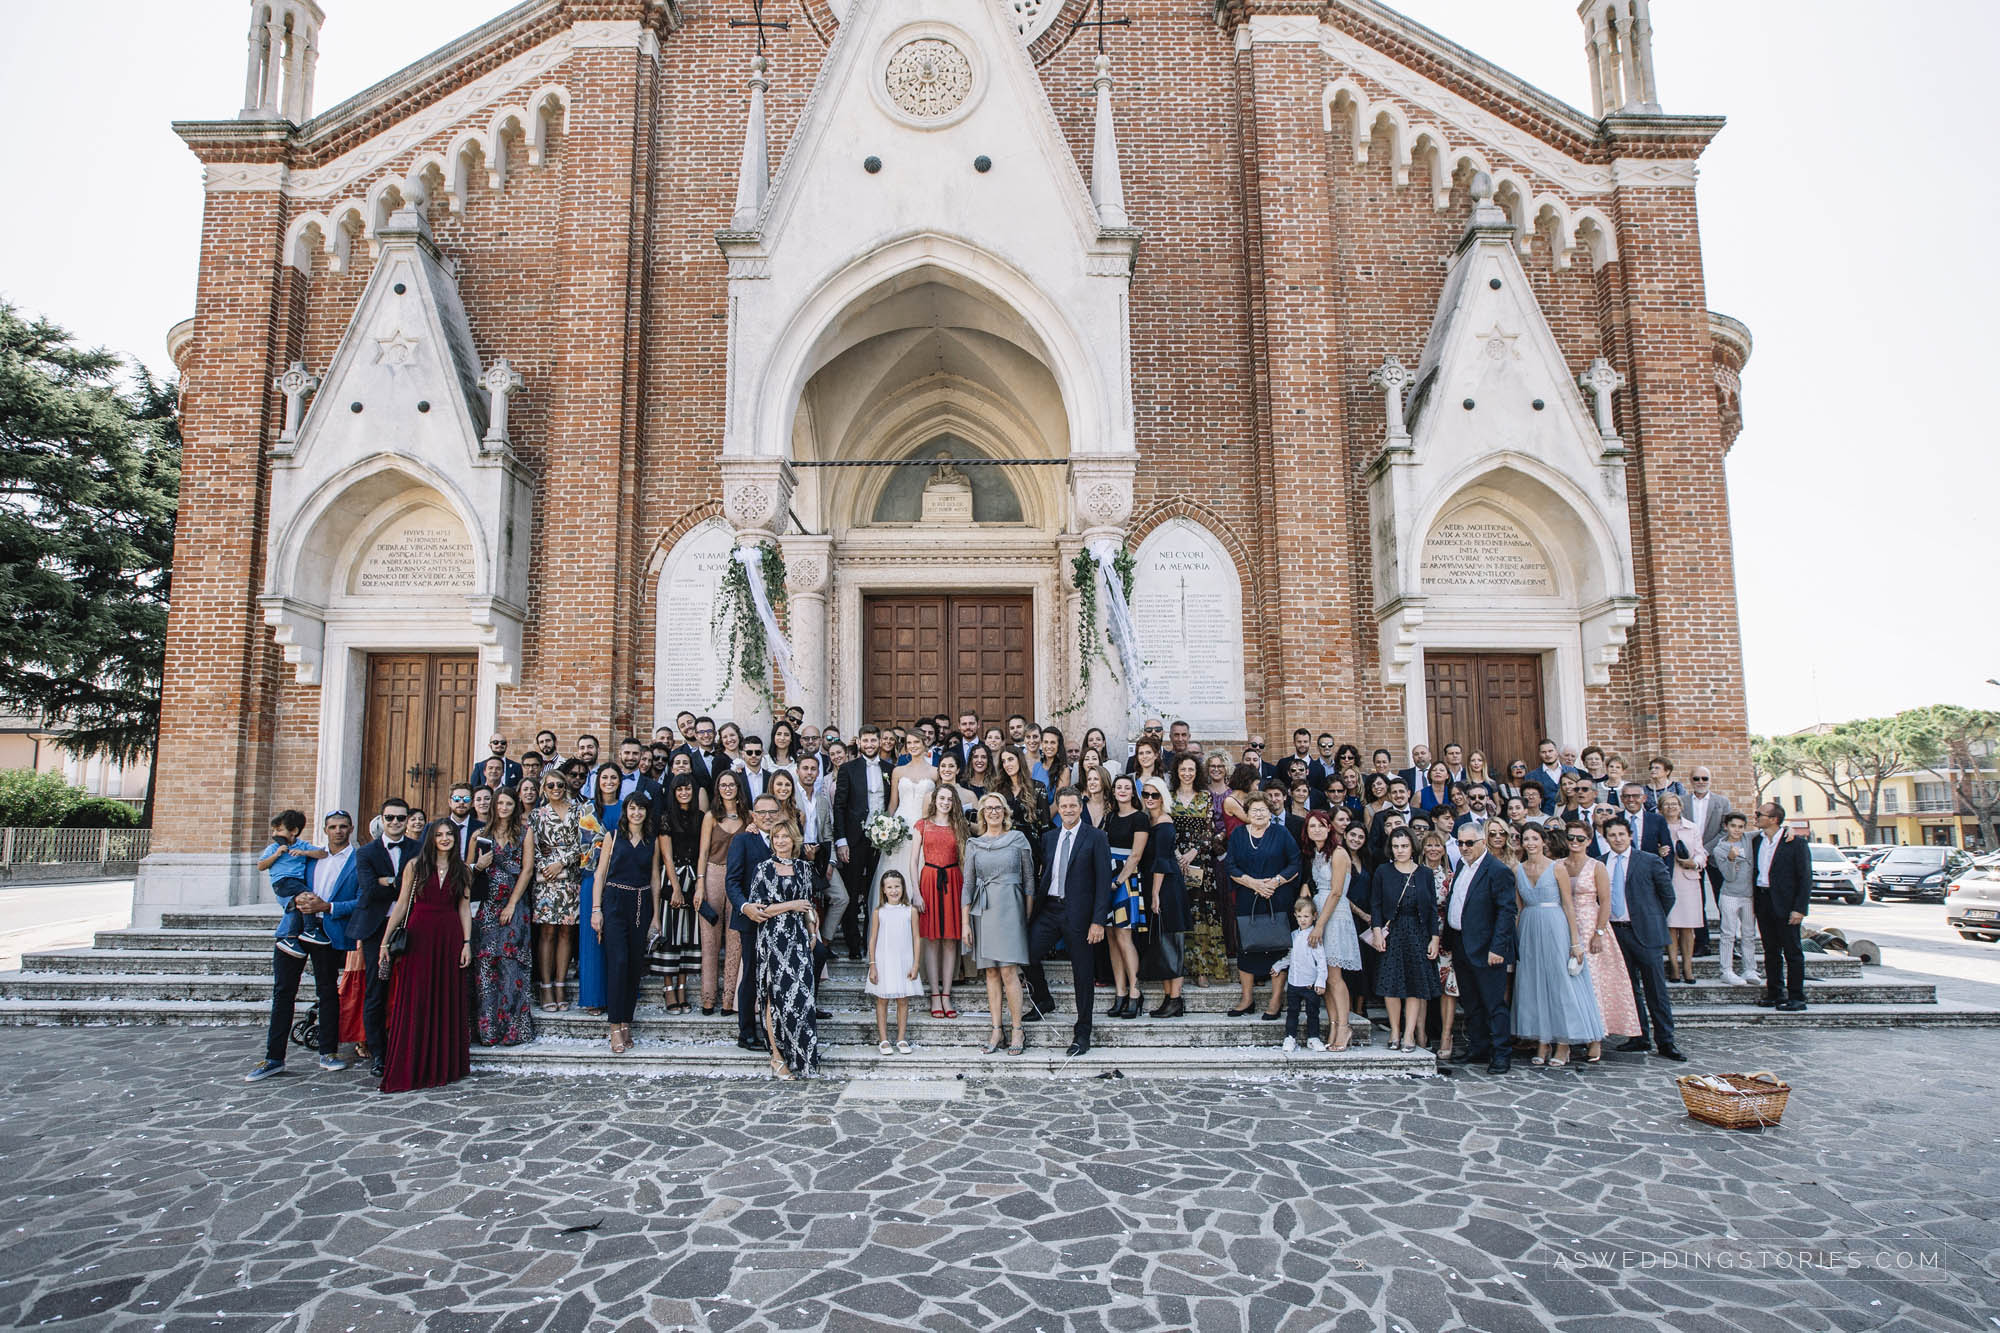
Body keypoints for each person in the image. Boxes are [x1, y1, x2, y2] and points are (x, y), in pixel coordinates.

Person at [246, 810, 351, 1082]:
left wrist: (327, 906)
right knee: (283, 992)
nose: (338, 831)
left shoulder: (354, 859)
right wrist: (295, 903)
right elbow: (282, 883)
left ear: (350, 829)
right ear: (325, 830)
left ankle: (328, 1052)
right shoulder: (302, 856)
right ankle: (273, 1058)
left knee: (328, 992)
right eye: (332, 827)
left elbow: (360, 900)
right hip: (292, 927)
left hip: (326, 930)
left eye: (343, 826)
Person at [377, 819, 474, 1093]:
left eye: (450, 835)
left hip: (449, 935)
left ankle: (442, 1066)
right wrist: (385, 941)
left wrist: (467, 942)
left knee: (445, 999)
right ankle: (412, 1064)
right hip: (420, 936)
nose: (445, 839)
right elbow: (401, 905)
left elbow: (464, 908)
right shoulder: (415, 866)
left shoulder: (463, 870)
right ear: (431, 838)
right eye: (439, 835)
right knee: (416, 998)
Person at [1028, 788, 1113, 1056]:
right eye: (1063, 806)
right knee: (1026, 953)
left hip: (1081, 915)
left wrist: (1098, 921)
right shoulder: (1049, 837)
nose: (1067, 810)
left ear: (1080, 807)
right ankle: (1043, 998)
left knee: (1083, 973)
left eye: (1072, 806)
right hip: (1050, 909)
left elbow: (1102, 883)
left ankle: (1082, 1032)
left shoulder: (1096, 837)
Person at [1510, 824, 1604, 1068]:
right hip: (1529, 928)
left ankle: (1564, 1043)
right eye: (1526, 838)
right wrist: (1516, 939)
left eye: (1535, 838)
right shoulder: (1517, 869)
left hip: (1555, 927)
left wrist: (1575, 942)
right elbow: (1519, 908)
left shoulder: (1557, 868)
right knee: (1534, 985)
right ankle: (1543, 1040)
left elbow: (1568, 905)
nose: (1530, 843)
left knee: (1560, 983)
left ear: (1544, 841)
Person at [1599, 817, 1686, 1060]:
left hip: (1645, 933)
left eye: (1621, 834)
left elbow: (1667, 895)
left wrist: (1651, 918)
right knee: (1629, 988)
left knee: (1655, 990)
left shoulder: (1649, 860)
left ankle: (1666, 1041)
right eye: (1612, 835)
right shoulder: (1600, 863)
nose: (1617, 839)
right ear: (1606, 838)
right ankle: (1639, 1036)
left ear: (1629, 835)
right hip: (1616, 933)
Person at [350, 799, 419, 1079]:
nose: (395, 823)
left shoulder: (417, 848)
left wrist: (386, 881)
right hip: (376, 927)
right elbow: (368, 889)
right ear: (381, 819)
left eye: (400, 818)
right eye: (389, 818)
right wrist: (399, 882)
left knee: (410, 988)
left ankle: (407, 1048)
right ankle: (379, 1052)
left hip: (409, 924)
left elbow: (418, 884)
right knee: (376, 990)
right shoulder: (366, 852)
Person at [1559, 817, 1639, 1057]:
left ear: (1589, 841)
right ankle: (1570, 1034)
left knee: (1593, 985)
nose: (1575, 842)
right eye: (1571, 837)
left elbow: (1605, 901)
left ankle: (1596, 1037)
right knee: (1568, 985)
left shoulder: (1596, 866)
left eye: (1580, 838)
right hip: (1563, 927)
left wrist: (1599, 932)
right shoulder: (1559, 865)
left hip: (1590, 925)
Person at [747, 819, 820, 1077]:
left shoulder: (804, 868)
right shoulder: (763, 869)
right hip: (772, 938)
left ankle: (800, 1055)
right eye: (776, 837)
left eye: (785, 837)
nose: (780, 841)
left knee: (801, 997)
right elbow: (759, 909)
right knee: (773, 997)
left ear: (794, 840)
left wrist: (813, 931)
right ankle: (776, 1057)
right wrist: (792, 905)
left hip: (798, 938)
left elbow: (809, 904)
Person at [965, 793, 1035, 1055]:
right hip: (983, 909)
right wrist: (965, 923)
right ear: (982, 814)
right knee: (991, 973)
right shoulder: (974, 843)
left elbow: (1029, 879)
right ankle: (997, 1029)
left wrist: (1026, 914)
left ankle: (1017, 1029)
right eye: (988, 808)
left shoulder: (1017, 839)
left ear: (1005, 812)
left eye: (997, 808)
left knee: (1008, 971)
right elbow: (968, 884)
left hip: (1011, 908)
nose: (993, 812)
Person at [588, 794, 659, 1053]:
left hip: (641, 903)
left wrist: (657, 916)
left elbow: (654, 877)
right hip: (615, 901)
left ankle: (626, 1021)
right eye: (632, 807)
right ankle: (614, 1027)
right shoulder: (613, 836)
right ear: (625, 811)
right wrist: (597, 910)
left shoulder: (652, 840)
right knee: (617, 963)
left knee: (633, 966)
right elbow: (600, 874)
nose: (637, 812)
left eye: (641, 808)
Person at [1443, 819, 1515, 1073]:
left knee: (1494, 1003)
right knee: (1471, 1002)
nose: (1464, 847)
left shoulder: (1497, 870)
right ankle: (1479, 1048)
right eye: (1461, 843)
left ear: (1483, 842)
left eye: (1469, 843)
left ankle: (1501, 1054)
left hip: (1487, 947)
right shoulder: (1462, 867)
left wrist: (1498, 948)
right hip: (1462, 943)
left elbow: (1506, 912)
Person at [1225, 792, 1301, 1021]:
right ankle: (1246, 998)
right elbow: (1231, 865)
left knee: (1278, 948)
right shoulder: (1238, 834)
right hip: (1248, 898)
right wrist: (1253, 883)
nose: (1258, 814)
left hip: (1277, 898)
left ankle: (1276, 1000)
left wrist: (1276, 881)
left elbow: (1295, 862)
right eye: (1254, 810)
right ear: (1247, 813)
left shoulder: (1281, 833)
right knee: (1246, 947)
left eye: (1263, 810)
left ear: (1270, 812)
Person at [529, 771, 598, 1013]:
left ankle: (560, 984)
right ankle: (545, 986)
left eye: (560, 784)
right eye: (551, 785)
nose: (556, 788)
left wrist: (563, 861)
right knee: (547, 932)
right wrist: (544, 866)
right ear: (544, 789)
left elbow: (591, 840)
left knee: (567, 932)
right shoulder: (536, 815)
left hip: (571, 879)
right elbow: (531, 846)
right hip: (546, 880)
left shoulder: (581, 810)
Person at [472, 786, 536, 1047]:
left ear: (515, 806)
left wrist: (511, 904)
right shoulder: (480, 834)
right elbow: (468, 872)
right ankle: (487, 1031)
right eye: (500, 803)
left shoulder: (523, 833)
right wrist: (479, 865)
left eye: (509, 804)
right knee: (485, 970)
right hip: (486, 907)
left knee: (512, 967)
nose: (504, 808)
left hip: (514, 906)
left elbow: (528, 870)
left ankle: (513, 1030)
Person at [1369, 826, 1441, 1052]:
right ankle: (1395, 1030)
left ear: (1413, 847)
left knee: (1414, 986)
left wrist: (1435, 938)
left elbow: (1431, 909)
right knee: (1391, 985)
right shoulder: (1383, 871)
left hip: (1418, 933)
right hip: (1393, 933)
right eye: (1396, 846)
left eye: (1404, 846)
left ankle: (1410, 1033)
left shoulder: (1425, 874)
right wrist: (1378, 931)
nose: (1399, 850)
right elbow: (1376, 904)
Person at [725, 794, 782, 1052]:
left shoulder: (785, 839)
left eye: (772, 812)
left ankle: (779, 1028)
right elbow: (732, 881)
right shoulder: (743, 841)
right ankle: (746, 1032)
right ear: (753, 815)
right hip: (752, 918)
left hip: (782, 919)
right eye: (762, 812)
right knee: (750, 975)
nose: (767, 816)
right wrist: (745, 907)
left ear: (780, 813)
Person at [834, 724, 895, 959]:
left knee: (876, 891)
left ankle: (873, 940)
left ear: (880, 742)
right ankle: (852, 943)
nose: (870, 745)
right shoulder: (848, 769)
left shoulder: (890, 769)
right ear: (859, 743)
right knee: (851, 891)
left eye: (873, 741)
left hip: (882, 841)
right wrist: (841, 841)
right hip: (854, 839)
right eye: (865, 741)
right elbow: (839, 806)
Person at [1170, 755, 1225, 987]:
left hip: (1200, 863)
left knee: (1200, 914)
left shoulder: (1205, 798)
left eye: (1191, 769)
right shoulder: (1169, 798)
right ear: (1177, 772)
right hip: (1174, 862)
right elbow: (1162, 826)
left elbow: (1210, 830)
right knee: (1179, 913)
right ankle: (1178, 967)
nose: (1187, 773)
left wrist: (1192, 852)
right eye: (1183, 769)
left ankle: (1202, 968)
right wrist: (1176, 854)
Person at [1751, 800, 1812, 1012]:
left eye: (1760, 814)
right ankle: (1775, 993)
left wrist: (1800, 908)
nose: (1756, 816)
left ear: (1774, 819)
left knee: (1792, 950)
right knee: (1771, 950)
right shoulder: (1756, 841)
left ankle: (1797, 996)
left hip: (1786, 903)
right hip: (1763, 899)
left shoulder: (1795, 843)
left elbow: (1805, 877)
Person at [651, 773, 704, 1012]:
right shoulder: (666, 818)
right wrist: (675, 888)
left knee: (688, 934)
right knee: (671, 932)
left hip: (694, 877)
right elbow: (666, 856)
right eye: (679, 789)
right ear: (673, 792)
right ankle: (669, 988)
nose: (684, 793)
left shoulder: (701, 818)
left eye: (688, 789)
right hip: (673, 878)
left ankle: (682, 986)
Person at [697, 770, 748, 1016]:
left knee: (736, 939)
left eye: (731, 784)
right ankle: (708, 998)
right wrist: (699, 885)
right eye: (723, 785)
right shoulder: (710, 817)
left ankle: (729, 999)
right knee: (710, 939)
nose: (727, 788)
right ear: (717, 789)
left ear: (738, 788)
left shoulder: (749, 818)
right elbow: (703, 853)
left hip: (738, 879)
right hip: (713, 875)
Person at [916, 783, 968, 1018]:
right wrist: (916, 892)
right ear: (935, 799)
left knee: (949, 940)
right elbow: (911, 860)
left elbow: (965, 859)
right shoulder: (923, 825)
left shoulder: (960, 826)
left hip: (953, 880)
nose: (945, 802)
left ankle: (946, 994)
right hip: (928, 879)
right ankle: (934, 994)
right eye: (942, 798)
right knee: (932, 939)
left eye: (950, 799)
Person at [1101, 774, 1151, 1019]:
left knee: (1124, 936)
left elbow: (1136, 855)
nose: (1122, 790)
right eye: (1118, 787)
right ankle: (1119, 992)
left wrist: (1117, 881)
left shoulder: (1140, 818)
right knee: (1110, 936)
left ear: (1133, 793)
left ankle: (1134, 991)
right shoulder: (1109, 817)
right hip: (1106, 877)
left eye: (1127, 788)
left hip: (1125, 878)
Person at [579, 763, 626, 1015]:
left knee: (616, 939)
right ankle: (594, 997)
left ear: (619, 782)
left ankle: (616, 993)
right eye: (604, 777)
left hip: (619, 878)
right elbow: (585, 846)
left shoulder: (624, 809)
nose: (609, 781)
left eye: (613, 778)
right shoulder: (587, 809)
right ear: (598, 781)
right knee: (593, 939)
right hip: (592, 878)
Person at [258, 809, 329, 959]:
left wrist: (304, 853)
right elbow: (261, 866)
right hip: (282, 882)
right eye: (273, 830)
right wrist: (277, 854)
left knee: (297, 908)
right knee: (308, 896)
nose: (275, 834)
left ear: (294, 831)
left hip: (296, 882)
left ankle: (290, 938)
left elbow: (322, 853)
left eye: (279, 830)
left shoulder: (302, 846)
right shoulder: (273, 848)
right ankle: (310, 930)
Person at [866, 869, 924, 1053]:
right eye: (889, 887)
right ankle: (883, 1040)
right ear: (883, 890)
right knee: (882, 999)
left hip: (904, 960)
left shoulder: (910, 911)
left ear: (903, 888)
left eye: (897, 886)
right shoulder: (879, 912)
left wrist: (915, 964)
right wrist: (872, 965)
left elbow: (916, 938)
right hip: (883, 961)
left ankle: (901, 1038)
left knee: (902, 1000)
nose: (894, 891)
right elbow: (873, 939)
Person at [1708, 810, 1763, 988]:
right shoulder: (1720, 848)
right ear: (1726, 827)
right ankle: (1726, 970)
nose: (1737, 830)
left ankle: (1750, 968)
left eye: (1740, 827)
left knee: (1748, 934)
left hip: (1748, 896)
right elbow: (1729, 876)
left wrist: (1787, 830)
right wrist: (1731, 860)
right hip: (1730, 895)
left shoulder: (1747, 839)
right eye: (1733, 826)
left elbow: (1768, 830)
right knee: (1728, 934)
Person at [1657, 792, 1707, 984]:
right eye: (1667, 804)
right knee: (1671, 925)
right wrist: (1659, 852)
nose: (1671, 807)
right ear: (1661, 808)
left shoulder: (1691, 827)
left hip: (1687, 878)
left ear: (1680, 806)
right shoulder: (1658, 825)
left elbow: (1701, 852)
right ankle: (1674, 966)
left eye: (1674, 804)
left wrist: (1693, 862)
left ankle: (1688, 966)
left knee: (1687, 927)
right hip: (1666, 879)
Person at [1419, 831, 1459, 1058]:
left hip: (1445, 935)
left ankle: (1446, 1035)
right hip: (1420, 933)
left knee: (1448, 988)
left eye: (1438, 845)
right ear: (1422, 849)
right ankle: (1421, 1033)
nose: (1433, 849)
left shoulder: (1451, 877)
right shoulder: (1415, 873)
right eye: (1429, 845)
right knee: (1421, 985)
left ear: (1444, 850)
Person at [1272, 895, 1329, 1052]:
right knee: (1292, 1012)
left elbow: (1321, 961)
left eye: (1306, 916)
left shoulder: (1314, 937)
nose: (1302, 920)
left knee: (1313, 1012)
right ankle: (1290, 1038)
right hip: (1294, 982)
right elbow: (1291, 956)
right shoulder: (1294, 935)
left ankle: (1313, 1038)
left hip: (1310, 983)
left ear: (1314, 916)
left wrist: (1320, 981)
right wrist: (1278, 965)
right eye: (1299, 917)